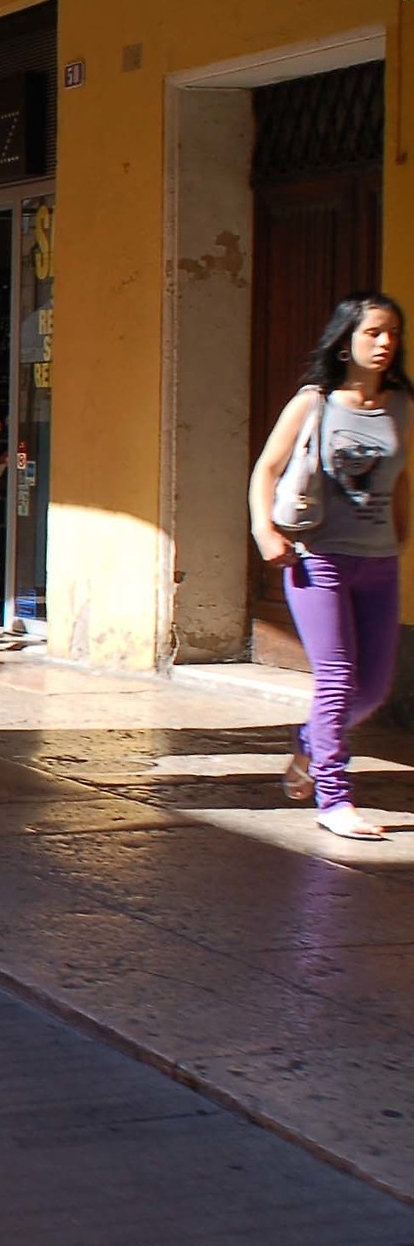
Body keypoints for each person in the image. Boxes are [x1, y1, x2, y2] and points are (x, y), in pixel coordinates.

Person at [248, 292, 410, 842]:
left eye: (393, 333)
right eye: (374, 333)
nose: (385, 342)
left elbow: (400, 475)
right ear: (346, 341)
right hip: (318, 558)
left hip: (379, 561)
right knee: (338, 680)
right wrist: (264, 530)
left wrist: (401, 533)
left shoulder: (403, 406)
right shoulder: (313, 403)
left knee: (373, 689)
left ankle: (308, 744)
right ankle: (334, 797)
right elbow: (266, 470)